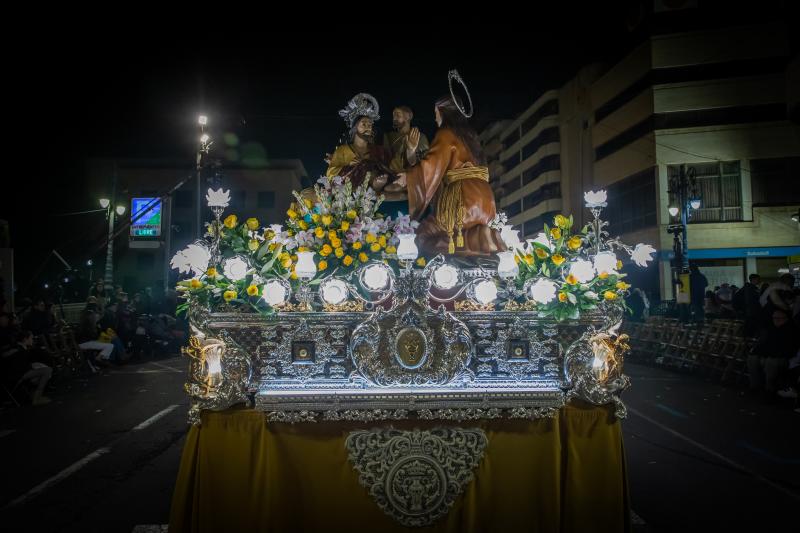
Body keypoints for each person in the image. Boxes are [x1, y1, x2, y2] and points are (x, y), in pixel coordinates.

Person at [393, 95, 505, 256]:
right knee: (449, 231)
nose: (435, 117)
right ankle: (482, 238)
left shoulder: (445, 133)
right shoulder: (470, 136)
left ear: (443, 112)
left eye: (436, 112)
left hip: (463, 200)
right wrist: (411, 154)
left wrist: (409, 177)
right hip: (486, 202)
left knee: (422, 236)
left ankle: (470, 245)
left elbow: (433, 164)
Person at [325, 93, 392, 192]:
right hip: (347, 192)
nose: (368, 127)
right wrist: (349, 165)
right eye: (364, 124)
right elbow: (331, 173)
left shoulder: (378, 151)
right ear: (355, 127)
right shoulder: (343, 150)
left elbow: (385, 168)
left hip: (372, 190)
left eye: (370, 125)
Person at [747, 308, 800, 396]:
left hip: (785, 357)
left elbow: (790, 349)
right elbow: (764, 344)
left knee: (771, 363)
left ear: (786, 319)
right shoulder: (771, 329)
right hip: (770, 354)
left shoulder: (792, 331)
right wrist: (757, 352)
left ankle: (770, 390)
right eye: (774, 318)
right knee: (752, 359)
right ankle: (755, 387)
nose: (776, 320)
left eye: (779, 318)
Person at [0, 330, 53, 405]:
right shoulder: (18, 350)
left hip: (20, 373)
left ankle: (33, 395)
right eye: (31, 338)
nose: (32, 340)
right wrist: (34, 366)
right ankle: (37, 398)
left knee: (40, 374)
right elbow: (18, 367)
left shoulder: (21, 349)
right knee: (47, 370)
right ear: (25, 339)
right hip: (16, 376)